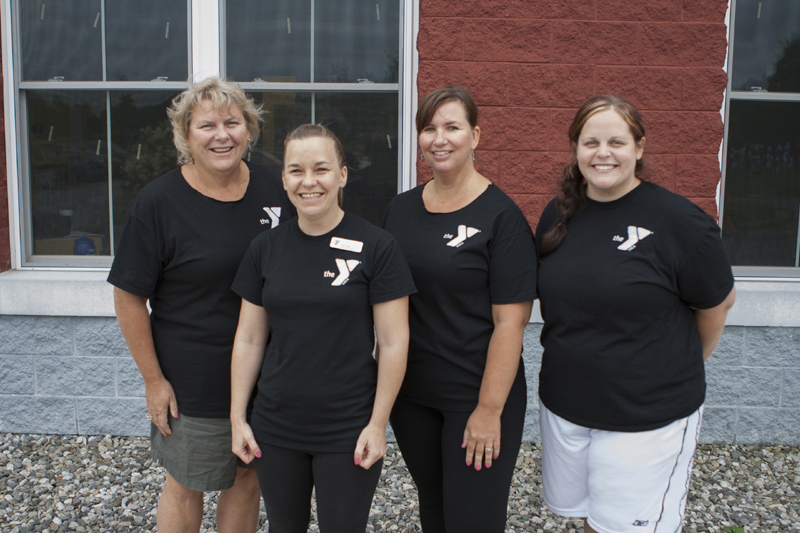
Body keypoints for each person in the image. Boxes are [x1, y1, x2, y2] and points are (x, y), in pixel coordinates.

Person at [535, 94, 737, 533]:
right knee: (588, 519)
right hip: (566, 406)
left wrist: (677, 365)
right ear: (575, 149)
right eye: (590, 142)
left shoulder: (679, 221)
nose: (602, 153)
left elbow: (718, 303)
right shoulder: (558, 214)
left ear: (639, 148)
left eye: (616, 142)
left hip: (646, 416)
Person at [108, 76, 294, 533]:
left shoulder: (278, 192)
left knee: (247, 477)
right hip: (194, 379)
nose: (222, 134)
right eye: (206, 125)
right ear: (185, 136)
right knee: (186, 483)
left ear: (249, 130)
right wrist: (154, 380)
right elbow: (129, 297)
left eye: (233, 122)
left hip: (270, 374)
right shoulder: (158, 203)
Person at [229, 123, 416, 533]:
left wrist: (377, 423)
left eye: (321, 169)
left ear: (343, 175)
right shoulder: (265, 248)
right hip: (276, 425)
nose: (308, 182)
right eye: (296, 170)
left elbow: (393, 341)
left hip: (348, 426)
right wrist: (238, 417)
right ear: (283, 179)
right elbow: (249, 337)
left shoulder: (377, 246)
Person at [381, 87, 538, 532]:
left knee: (474, 518)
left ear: (475, 136)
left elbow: (511, 322)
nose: (439, 139)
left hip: (475, 393)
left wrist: (489, 410)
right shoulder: (401, 210)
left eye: (452, 127)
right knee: (434, 505)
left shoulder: (501, 217)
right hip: (413, 395)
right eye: (429, 128)